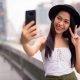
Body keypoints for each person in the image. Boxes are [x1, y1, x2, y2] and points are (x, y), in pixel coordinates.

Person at [20, 4, 80, 80]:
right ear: (53, 19)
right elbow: (30, 52)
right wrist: (24, 42)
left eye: (66, 21)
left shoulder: (71, 42)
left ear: (69, 25)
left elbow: (78, 70)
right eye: (59, 18)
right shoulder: (43, 40)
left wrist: (77, 45)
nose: (61, 23)